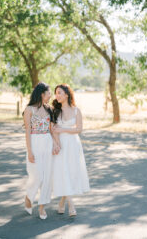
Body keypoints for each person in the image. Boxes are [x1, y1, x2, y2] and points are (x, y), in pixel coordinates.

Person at [52, 84, 90, 216]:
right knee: (63, 172)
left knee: (71, 172)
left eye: (59, 93)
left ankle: (62, 202)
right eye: (56, 93)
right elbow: (53, 130)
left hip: (73, 144)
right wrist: (56, 144)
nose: (57, 95)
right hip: (61, 145)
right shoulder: (55, 111)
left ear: (66, 95)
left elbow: (79, 129)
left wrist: (63, 129)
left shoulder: (76, 111)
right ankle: (71, 206)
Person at [23, 82, 60, 219]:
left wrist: (56, 144)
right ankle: (29, 196)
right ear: (41, 94)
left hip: (47, 143)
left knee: (47, 177)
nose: (50, 96)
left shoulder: (49, 109)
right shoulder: (29, 110)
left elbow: (51, 129)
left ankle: (42, 206)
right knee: (36, 176)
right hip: (34, 142)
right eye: (48, 93)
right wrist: (29, 151)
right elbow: (27, 131)